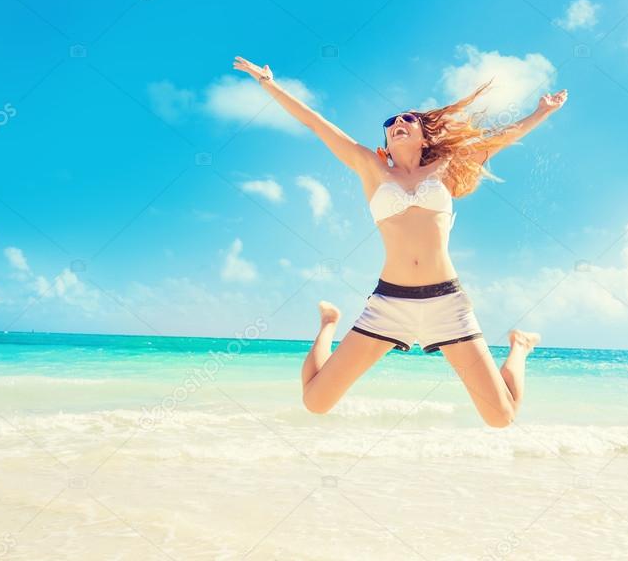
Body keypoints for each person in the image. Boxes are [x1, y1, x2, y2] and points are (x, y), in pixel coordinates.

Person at [232, 56, 567, 427]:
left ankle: (519, 346)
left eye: (408, 119)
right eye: (390, 123)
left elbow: (499, 139)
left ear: (425, 136)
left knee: (501, 417)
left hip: (446, 303)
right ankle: (329, 323)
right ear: (386, 145)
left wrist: (542, 112)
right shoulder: (370, 167)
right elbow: (316, 124)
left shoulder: (447, 165)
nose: (397, 124)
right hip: (390, 304)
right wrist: (268, 83)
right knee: (315, 402)